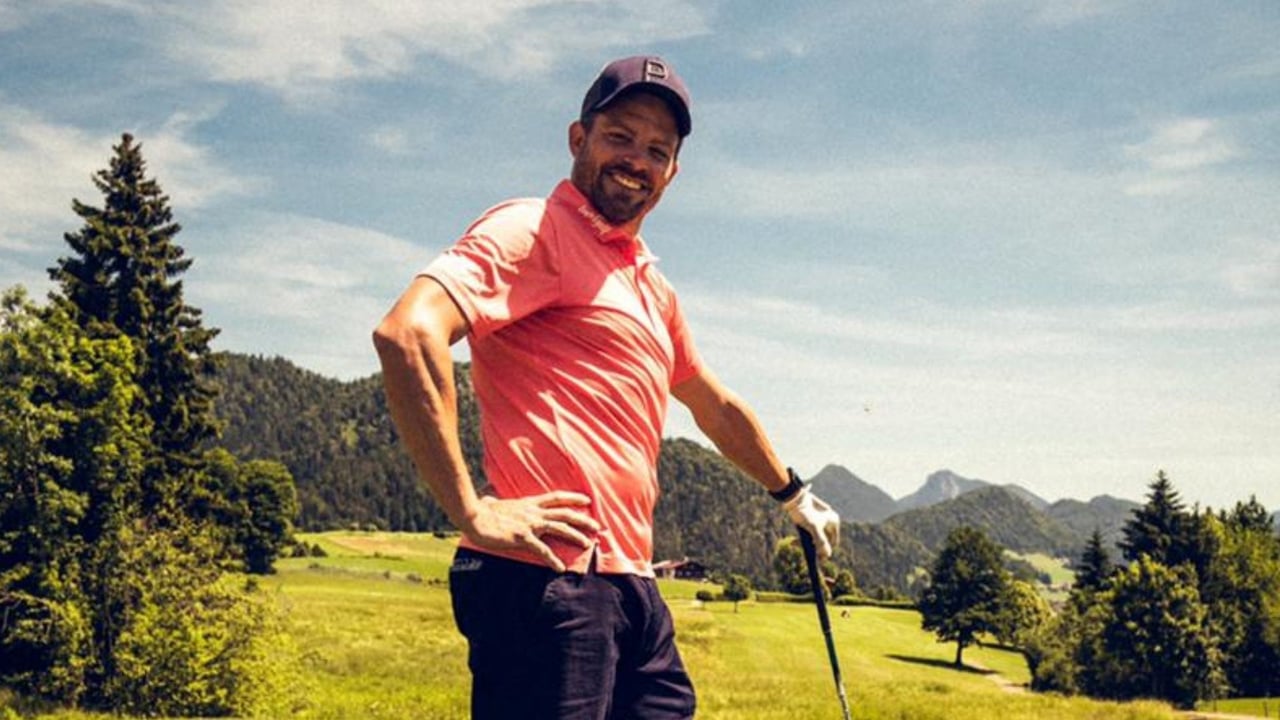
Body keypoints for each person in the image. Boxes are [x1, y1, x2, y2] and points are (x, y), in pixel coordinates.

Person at [373, 55, 841, 720]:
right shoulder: (533, 230)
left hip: (630, 584)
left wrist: (793, 494)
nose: (637, 160)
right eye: (620, 136)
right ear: (577, 139)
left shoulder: (650, 284)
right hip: (545, 580)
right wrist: (472, 509)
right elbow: (406, 334)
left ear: (672, 172)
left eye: (658, 149)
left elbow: (711, 403)